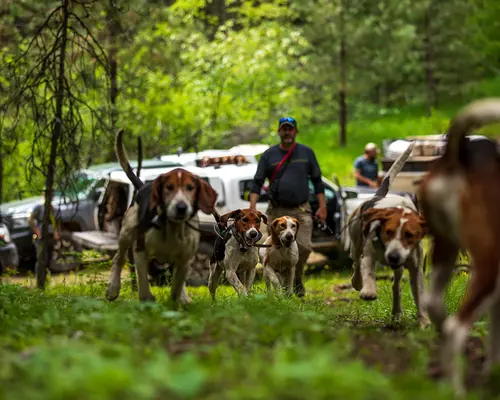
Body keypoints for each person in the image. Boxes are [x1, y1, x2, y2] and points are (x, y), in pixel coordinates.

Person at [249, 116, 327, 297]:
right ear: (279, 131)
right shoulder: (269, 155)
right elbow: (257, 182)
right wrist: (253, 206)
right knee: (274, 247)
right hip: (276, 210)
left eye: (290, 129)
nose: (287, 132)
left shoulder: (306, 153)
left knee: (305, 246)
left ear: (295, 131)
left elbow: (317, 181)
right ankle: (276, 277)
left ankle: (296, 276)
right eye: (284, 129)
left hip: (301, 209)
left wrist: (322, 206)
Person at [28, 190, 61, 279]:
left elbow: (57, 222)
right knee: (41, 258)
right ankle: (39, 279)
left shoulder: (54, 208)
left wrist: (57, 232)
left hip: (50, 236)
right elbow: (30, 219)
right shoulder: (39, 207)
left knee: (49, 258)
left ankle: (46, 278)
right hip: (41, 236)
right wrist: (37, 231)